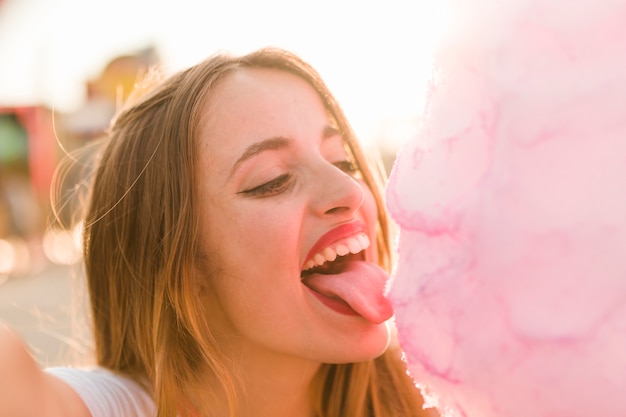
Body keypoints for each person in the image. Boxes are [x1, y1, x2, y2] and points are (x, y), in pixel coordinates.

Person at [0, 47, 435, 417]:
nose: (349, 191)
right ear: (181, 265)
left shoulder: (442, 394)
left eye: (343, 162)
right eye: (271, 180)